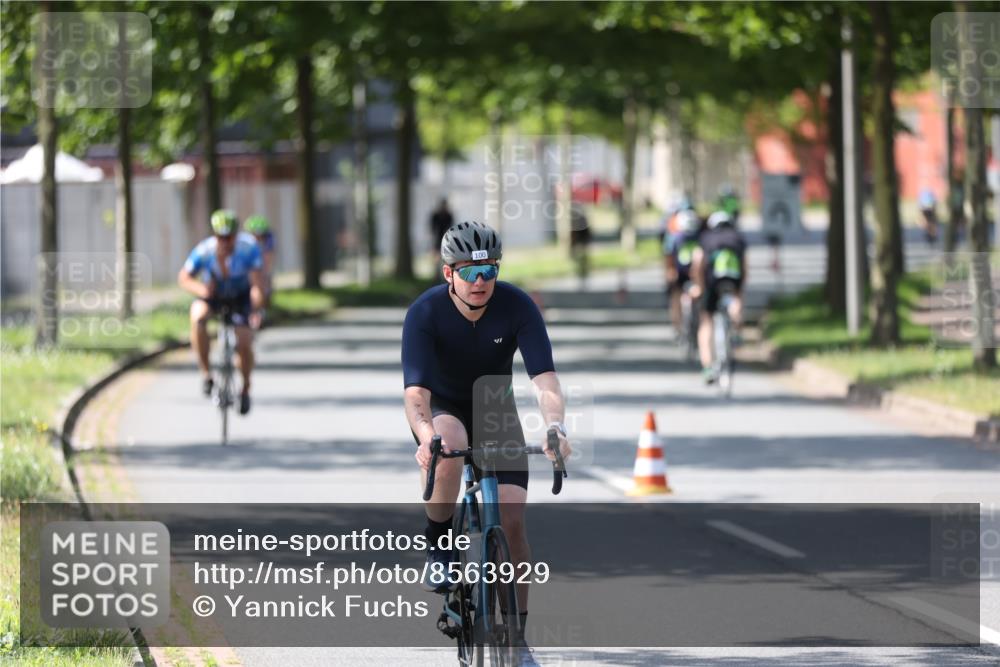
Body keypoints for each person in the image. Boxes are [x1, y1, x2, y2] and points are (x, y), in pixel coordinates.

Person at [402, 221, 572, 666]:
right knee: (449, 443)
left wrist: (555, 427)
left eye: (489, 271)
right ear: (448, 274)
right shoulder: (425, 313)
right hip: (443, 410)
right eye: (470, 273)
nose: (481, 283)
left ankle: (517, 640)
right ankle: (439, 542)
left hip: (494, 409)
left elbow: (545, 379)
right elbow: (416, 395)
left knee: (513, 523)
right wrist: (427, 436)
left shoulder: (517, 306)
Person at [177, 210, 264, 415]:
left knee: (244, 341)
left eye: (229, 237)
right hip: (214, 294)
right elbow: (184, 277)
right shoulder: (204, 251)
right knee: (197, 317)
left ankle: (245, 388)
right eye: (220, 237)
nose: (225, 241)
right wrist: (202, 290)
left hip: (241, 296)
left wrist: (255, 309)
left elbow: (257, 285)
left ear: (236, 234)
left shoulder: (248, 248)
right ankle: (206, 374)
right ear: (215, 235)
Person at [690, 210, 747, 384]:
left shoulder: (706, 238)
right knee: (735, 301)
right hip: (733, 279)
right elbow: (745, 266)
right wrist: (739, 291)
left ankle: (707, 367)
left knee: (706, 321)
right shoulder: (738, 239)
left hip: (712, 282)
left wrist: (699, 286)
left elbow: (698, 263)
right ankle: (736, 331)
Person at [663, 209, 703, 335]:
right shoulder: (700, 237)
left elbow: (668, 256)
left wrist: (670, 271)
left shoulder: (674, 237)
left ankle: (677, 326)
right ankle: (682, 324)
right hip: (693, 273)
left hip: (682, 272)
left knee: (676, 296)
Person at [244, 214, 275, 328]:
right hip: (247, 269)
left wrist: (264, 275)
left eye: (260, 236)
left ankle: (260, 309)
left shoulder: (269, 240)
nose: (257, 238)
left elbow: (268, 260)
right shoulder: (244, 242)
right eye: (255, 235)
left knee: (264, 284)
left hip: (260, 268)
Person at [429, 197, 455, 267]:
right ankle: (436, 273)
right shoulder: (436, 215)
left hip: (445, 238)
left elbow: (450, 227)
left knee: (445, 257)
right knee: (437, 257)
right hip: (438, 238)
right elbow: (433, 227)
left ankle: (441, 272)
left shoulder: (448, 215)